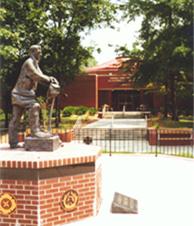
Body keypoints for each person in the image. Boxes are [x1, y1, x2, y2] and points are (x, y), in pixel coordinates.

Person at [8, 45, 59, 149]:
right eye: (38, 51)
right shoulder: (29, 63)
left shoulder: (35, 63)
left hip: (26, 94)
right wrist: (48, 80)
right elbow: (36, 75)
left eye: (40, 51)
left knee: (16, 118)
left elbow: (41, 75)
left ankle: (14, 142)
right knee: (33, 107)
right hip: (19, 94)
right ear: (32, 52)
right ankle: (35, 132)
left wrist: (50, 79)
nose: (40, 53)